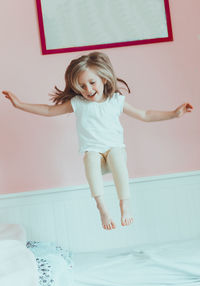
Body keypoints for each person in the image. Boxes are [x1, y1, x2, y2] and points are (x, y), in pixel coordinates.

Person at [2, 52, 193, 231]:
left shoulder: (115, 100)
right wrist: (19, 104)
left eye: (92, 82)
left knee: (117, 155)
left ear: (103, 78)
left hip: (114, 152)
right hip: (95, 155)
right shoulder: (78, 103)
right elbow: (50, 110)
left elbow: (145, 114)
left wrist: (174, 114)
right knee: (90, 157)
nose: (88, 89)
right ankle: (102, 209)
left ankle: (124, 203)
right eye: (81, 86)